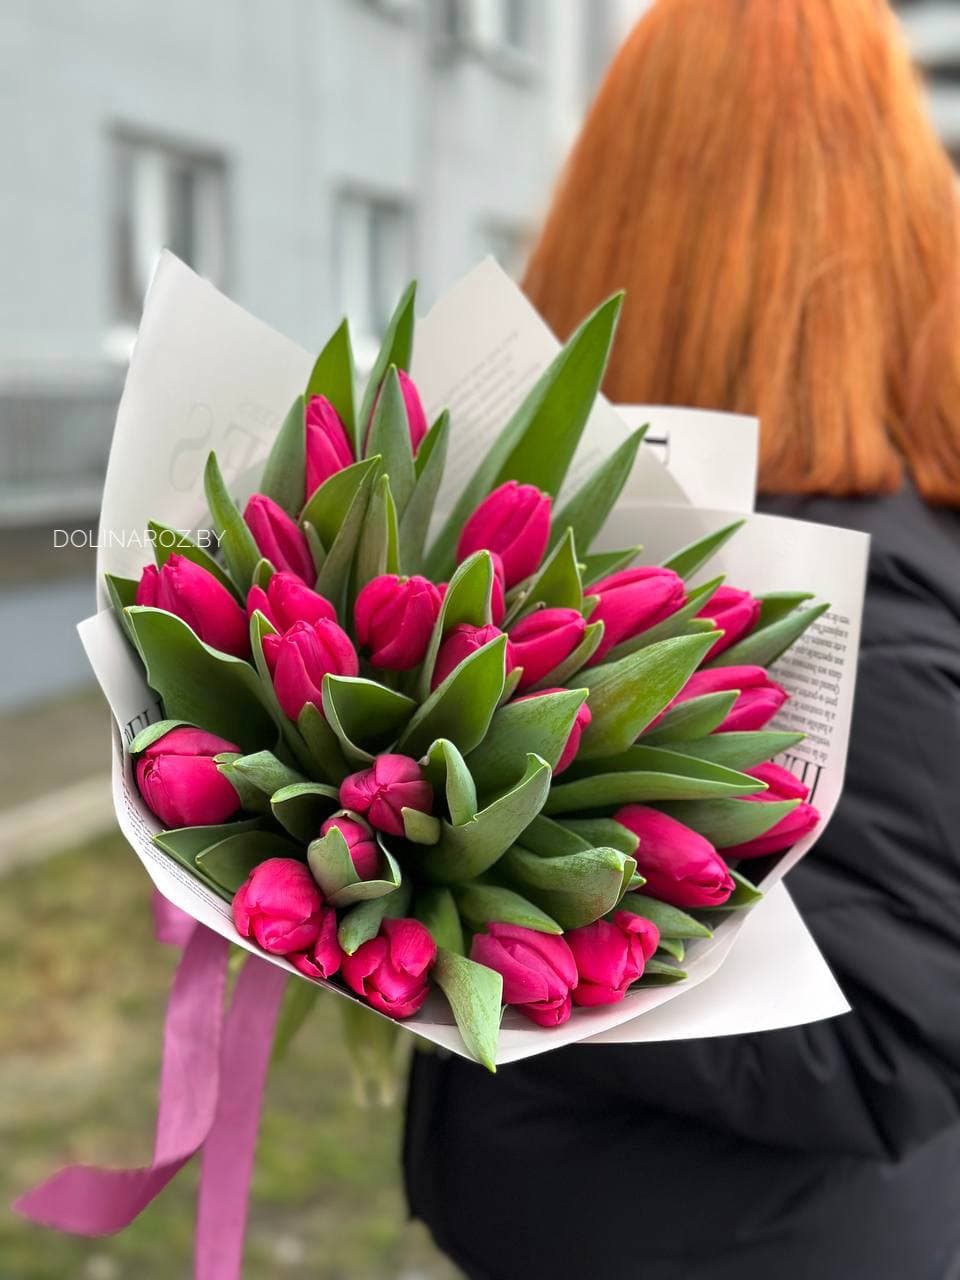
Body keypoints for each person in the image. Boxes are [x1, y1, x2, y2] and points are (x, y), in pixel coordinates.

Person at [403, 2, 960, 1277]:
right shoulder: (620, 533)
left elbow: (898, 1039)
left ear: (620, 200)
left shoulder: (837, 591)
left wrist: (474, 940)